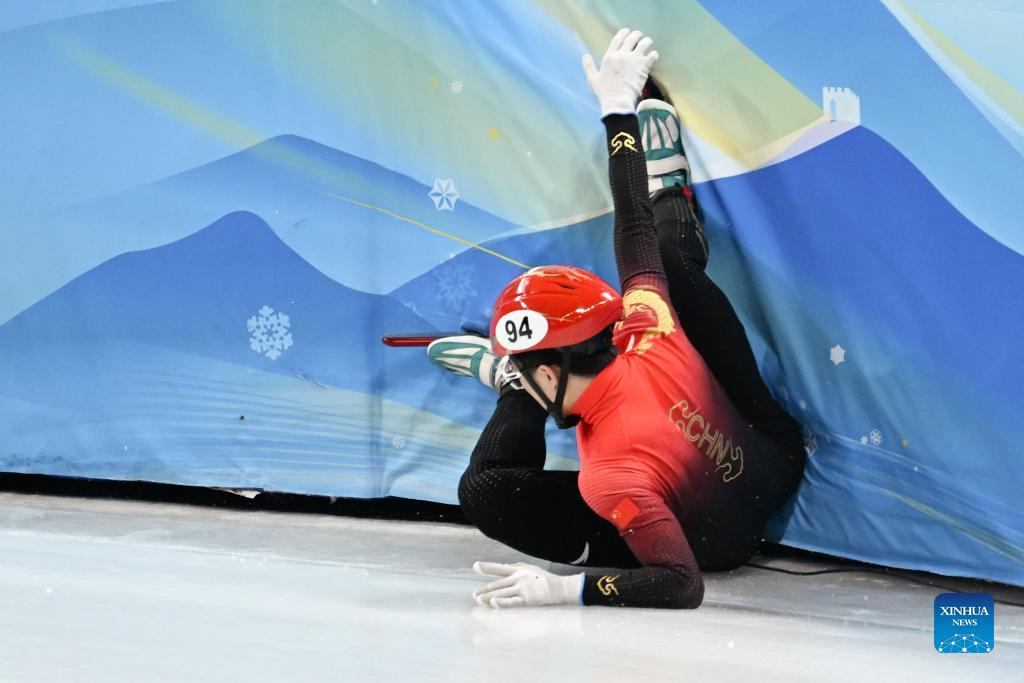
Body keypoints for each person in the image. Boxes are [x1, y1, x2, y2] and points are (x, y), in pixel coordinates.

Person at [428, 29, 806, 609]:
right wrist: (616, 111)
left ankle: (511, 387)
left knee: (485, 491)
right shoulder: (645, 322)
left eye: (530, 369)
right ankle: (673, 193)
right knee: (669, 262)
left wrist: (568, 588)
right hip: (777, 453)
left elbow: (681, 583)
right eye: (525, 369)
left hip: (709, 546)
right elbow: (632, 226)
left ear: (551, 374)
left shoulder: (606, 477)